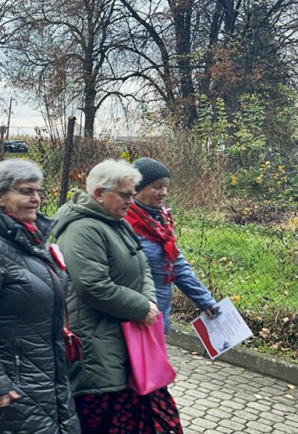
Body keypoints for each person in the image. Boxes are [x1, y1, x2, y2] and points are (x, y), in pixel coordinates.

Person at [53, 159, 183, 433]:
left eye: (133, 194)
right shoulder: (82, 229)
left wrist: (149, 302)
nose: (131, 201)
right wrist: (140, 307)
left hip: (127, 343)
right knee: (105, 423)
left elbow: (144, 266)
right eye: (125, 195)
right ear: (99, 193)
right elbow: (94, 286)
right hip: (98, 347)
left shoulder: (117, 222)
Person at [0, 159, 80, 433]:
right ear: (0, 196)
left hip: (43, 372)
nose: (36, 199)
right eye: (25, 191)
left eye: (38, 191)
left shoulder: (30, 237)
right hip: (11, 382)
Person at [128, 158, 217, 334]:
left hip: (159, 315)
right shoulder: (125, 223)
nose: (164, 192)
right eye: (157, 187)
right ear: (137, 188)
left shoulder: (161, 222)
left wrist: (205, 301)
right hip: (135, 320)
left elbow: (177, 264)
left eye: (165, 186)